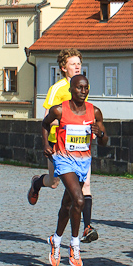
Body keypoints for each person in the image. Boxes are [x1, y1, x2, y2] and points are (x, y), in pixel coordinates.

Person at [28, 49, 99, 244]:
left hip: (80, 146)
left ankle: (87, 227)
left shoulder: (83, 86)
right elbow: (47, 119)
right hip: (58, 144)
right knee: (53, 182)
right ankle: (37, 183)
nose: (77, 66)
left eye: (79, 63)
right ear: (63, 67)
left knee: (85, 184)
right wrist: (65, 123)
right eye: (73, 64)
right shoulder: (57, 89)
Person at [41, 75, 108, 266]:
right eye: (79, 87)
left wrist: (100, 133)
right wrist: (46, 144)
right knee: (79, 200)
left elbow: (104, 141)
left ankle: (56, 239)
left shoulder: (94, 111)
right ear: (71, 89)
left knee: (67, 203)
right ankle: (74, 245)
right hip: (63, 159)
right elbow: (45, 124)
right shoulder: (59, 110)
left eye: (86, 88)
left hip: (83, 161)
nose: (83, 91)